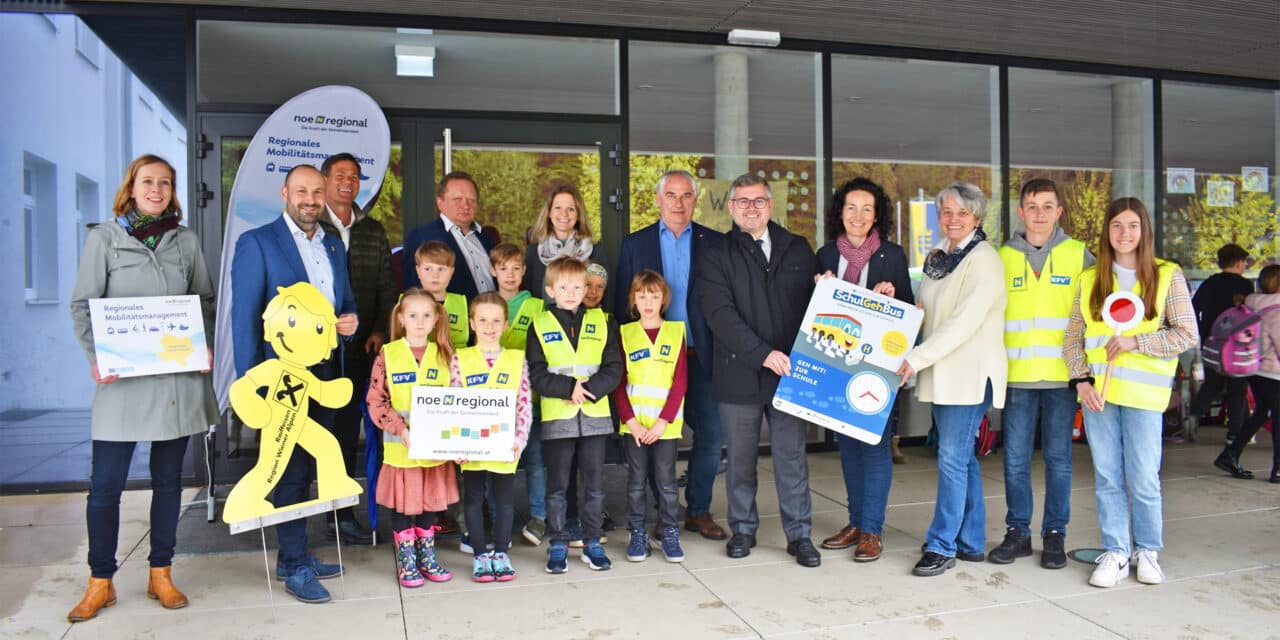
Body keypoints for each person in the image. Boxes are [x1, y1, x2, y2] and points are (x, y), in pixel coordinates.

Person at [67, 154, 217, 622]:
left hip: (174, 381)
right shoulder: (104, 239)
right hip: (122, 384)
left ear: (173, 192)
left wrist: (202, 345)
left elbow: (204, 301)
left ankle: (160, 574)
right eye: (148, 182)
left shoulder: (185, 241)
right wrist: (97, 359)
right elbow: (82, 306)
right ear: (131, 188)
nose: (157, 190)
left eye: (166, 184)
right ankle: (100, 581)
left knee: (169, 483)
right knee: (105, 488)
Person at [230, 164, 360, 604]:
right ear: (284, 193)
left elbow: (346, 303)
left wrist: (351, 322)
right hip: (281, 380)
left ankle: (295, 555)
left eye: (317, 192)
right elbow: (244, 318)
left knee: (311, 462)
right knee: (287, 467)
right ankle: (294, 564)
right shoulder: (258, 243)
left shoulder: (334, 245)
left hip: (325, 371)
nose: (310, 199)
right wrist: (254, 385)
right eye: (301, 190)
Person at [1063, 197, 1197, 588]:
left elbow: (1187, 334)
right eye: (1117, 225)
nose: (1125, 233)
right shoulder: (1091, 280)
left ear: (1144, 231)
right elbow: (1073, 338)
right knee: (1107, 476)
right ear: (1107, 232)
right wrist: (1082, 382)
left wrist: (1138, 342)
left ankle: (1147, 551)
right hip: (1099, 397)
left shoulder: (1167, 275)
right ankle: (1117, 551)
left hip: (1143, 397)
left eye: (1133, 226)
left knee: (1143, 477)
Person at [698, 173, 820, 568]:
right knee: (741, 460)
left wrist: (828, 290)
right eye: (743, 201)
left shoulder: (798, 248)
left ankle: (799, 534)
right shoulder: (716, 253)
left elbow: (815, 309)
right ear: (731, 208)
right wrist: (762, 353)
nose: (751, 208)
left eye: (759, 201)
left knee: (791, 460)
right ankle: (743, 529)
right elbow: (720, 315)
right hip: (739, 373)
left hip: (790, 376)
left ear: (771, 205)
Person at [897, 181, 1007, 578]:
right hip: (946, 373)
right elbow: (929, 310)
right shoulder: (943, 256)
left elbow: (962, 324)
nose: (954, 219)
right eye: (947, 212)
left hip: (969, 374)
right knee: (960, 459)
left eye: (963, 213)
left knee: (951, 459)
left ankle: (943, 544)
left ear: (977, 217)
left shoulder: (984, 261)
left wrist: (915, 358)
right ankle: (971, 541)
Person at [614, 169, 728, 541]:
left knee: (711, 434)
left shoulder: (716, 242)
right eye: (671, 196)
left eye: (686, 196)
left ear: (695, 200)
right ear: (659, 199)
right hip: (651, 361)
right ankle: (661, 509)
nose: (678, 203)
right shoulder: (635, 243)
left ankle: (697, 509)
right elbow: (623, 304)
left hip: (702, 355)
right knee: (651, 435)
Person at [990, 178, 1095, 569]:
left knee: (1059, 460)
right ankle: (1017, 532)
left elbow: (1094, 317)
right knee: (1014, 460)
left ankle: (1054, 533)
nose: (1039, 213)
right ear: (1021, 211)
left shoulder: (1080, 255)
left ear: (1059, 212)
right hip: (1016, 377)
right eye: (1032, 206)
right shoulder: (1000, 257)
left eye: (1047, 206)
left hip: (1062, 378)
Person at [813, 177, 914, 563]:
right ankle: (855, 522)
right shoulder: (824, 255)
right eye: (851, 208)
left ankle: (872, 530)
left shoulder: (892, 255)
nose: (858, 216)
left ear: (877, 216)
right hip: (836, 367)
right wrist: (818, 288)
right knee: (848, 449)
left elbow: (909, 314)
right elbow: (814, 312)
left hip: (878, 370)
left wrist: (893, 298)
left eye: (867, 209)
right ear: (840, 212)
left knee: (874, 448)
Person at [317, 152, 397, 546]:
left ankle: (353, 513)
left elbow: (387, 286)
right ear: (325, 180)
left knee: (359, 433)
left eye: (354, 175)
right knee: (329, 433)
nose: (347, 181)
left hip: (363, 349)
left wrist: (381, 329)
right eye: (340, 175)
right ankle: (326, 509)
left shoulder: (374, 231)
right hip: (318, 350)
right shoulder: (311, 226)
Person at [527, 256, 624, 574]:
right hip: (558, 418)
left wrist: (590, 390)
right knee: (557, 487)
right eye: (563, 286)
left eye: (577, 286)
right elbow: (537, 373)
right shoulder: (539, 325)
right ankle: (558, 543)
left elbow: (614, 368)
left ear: (586, 289)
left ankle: (592, 541)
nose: (571, 292)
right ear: (551, 290)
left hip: (595, 416)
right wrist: (569, 388)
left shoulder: (603, 322)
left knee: (595, 486)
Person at [365, 288, 458, 587]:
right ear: (402, 318)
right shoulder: (388, 355)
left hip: (434, 453)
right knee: (404, 509)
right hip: (401, 451)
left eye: (426, 315)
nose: (420, 321)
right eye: (413, 315)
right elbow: (376, 401)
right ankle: (407, 562)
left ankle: (427, 557)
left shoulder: (445, 355)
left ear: (436, 320)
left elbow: (459, 402)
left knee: (431, 506)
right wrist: (400, 429)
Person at [451, 293, 533, 581]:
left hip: (504, 444)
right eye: (483, 320)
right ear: (472, 323)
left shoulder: (515, 359)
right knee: (473, 498)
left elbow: (524, 404)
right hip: (472, 446)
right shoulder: (460, 359)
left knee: (505, 499)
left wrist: (520, 440)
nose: (489, 326)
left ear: (506, 324)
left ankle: (500, 552)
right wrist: (456, 445)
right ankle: (479, 556)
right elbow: (453, 404)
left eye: (496, 320)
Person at [614, 270, 688, 563]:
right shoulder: (625, 333)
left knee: (667, 482)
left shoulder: (675, 332)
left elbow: (680, 382)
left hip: (664, 427)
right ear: (633, 299)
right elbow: (619, 383)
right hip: (634, 426)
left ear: (663, 300)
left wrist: (662, 422)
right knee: (636, 482)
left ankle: (669, 531)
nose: (648, 302)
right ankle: (637, 533)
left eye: (654, 296)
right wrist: (631, 421)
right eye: (642, 296)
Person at [491, 243, 550, 544]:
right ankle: (497, 517)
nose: (510, 274)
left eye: (516, 268)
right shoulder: (485, 306)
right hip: (495, 404)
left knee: (537, 462)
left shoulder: (538, 306)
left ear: (525, 270)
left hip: (531, 401)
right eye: (503, 268)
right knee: (498, 463)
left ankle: (540, 517)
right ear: (493, 271)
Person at [1188, 244, 1253, 444]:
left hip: (1212, 342)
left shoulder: (1210, 283)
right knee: (1237, 388)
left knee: (1213, 383)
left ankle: (1194, 415)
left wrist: (1203, 329)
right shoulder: (1246, 286)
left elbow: (1194, 308)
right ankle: (1234, 433)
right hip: (1237, 345)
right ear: (1239, 262)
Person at [402, 171, 497, 296]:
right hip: (451, 314)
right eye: (457, 199)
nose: (466, 205)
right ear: (440, 203)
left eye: (471, 200)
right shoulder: (422, 238)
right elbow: (415, 291)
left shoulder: (487, 238)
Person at [1230, 264, 1280, 482]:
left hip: (1254, 368)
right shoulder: (1277, 310)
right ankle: (1278, 469)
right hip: (1273, 372)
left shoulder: (1251, 305)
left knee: (1261, 413)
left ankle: (1229, 455)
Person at [524, 185, 603, 297]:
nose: (564, 214)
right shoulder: (533, 252)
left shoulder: (595, 251)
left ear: (579, 215)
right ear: (549, 213)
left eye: (571, 209)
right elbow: (529, 295)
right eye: (558, 208)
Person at [414, 241, 471, 349]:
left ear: (451, 272)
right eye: (428, 269)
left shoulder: (463, 304)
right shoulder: (404, 303)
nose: (435, 275)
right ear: (418, 271)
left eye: (441, 269)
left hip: (455, 363)